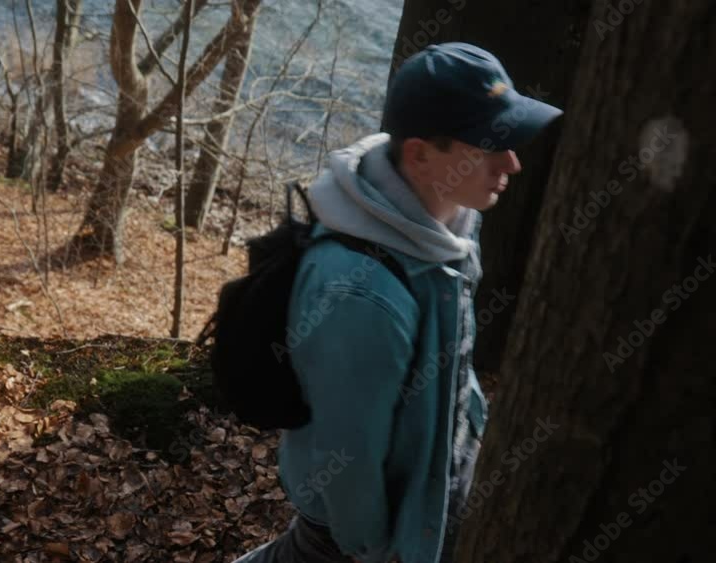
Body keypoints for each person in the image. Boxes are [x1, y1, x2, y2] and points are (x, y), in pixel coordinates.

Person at [231, 42, 563, 563]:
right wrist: (376, 549)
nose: (513, 162)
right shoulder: (360, 294)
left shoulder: (448, 226)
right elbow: (347, 459)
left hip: (424, 505)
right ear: (420, 155)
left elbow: (452, 358)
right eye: (490, 145)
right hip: (366, 541)